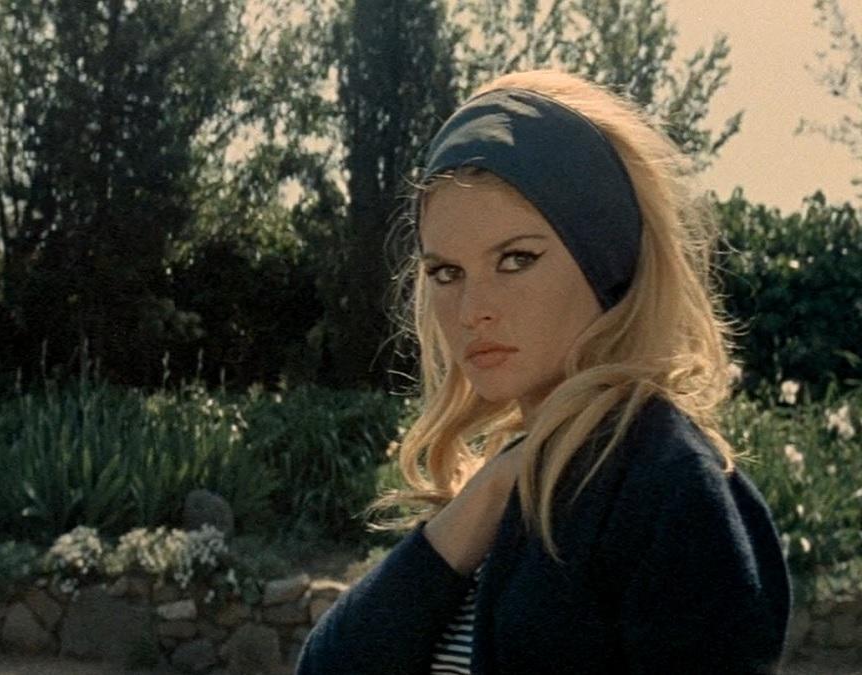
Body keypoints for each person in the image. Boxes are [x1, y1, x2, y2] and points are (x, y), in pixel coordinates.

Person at [295, 69, 792, 674]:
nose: (473, 308)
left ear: (604, 261)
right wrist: (491, 492)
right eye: (445, 272)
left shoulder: (670, 487)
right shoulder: (517, 478)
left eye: (516, 259)